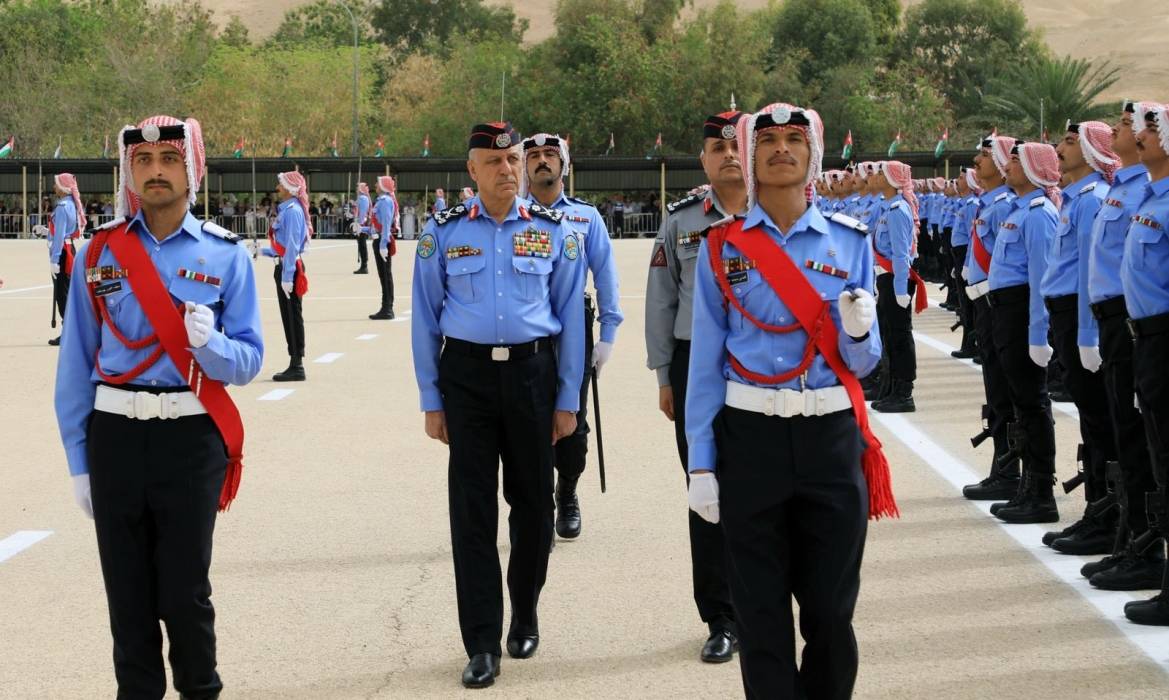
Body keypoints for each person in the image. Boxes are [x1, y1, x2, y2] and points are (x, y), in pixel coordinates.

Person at [685, 102, 896, 699]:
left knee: (830, 612)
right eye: (768, 139)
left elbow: (863, 363)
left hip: (829, 438)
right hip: (750, 439)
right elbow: (705, 363)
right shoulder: (721, 247)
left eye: (795, 138)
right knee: (761, 616)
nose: (782, 148)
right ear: (750, 158)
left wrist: (860, 332)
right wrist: (701, 462)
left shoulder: (850, 241)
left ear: (813, 154)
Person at [53, 114, 263, 699]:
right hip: (116, 437)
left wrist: (211, 345)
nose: (155, 171)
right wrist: (79, 460)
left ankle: (201, 690)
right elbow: (76, 363)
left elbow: (249, 359)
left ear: (191, 170)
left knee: (185, 592)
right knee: (127, 597)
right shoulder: (100, 252)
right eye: (142, 161)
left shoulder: (226, 256)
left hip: (190, 441)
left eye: (169, 159)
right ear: (130, 173)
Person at [410, 121, 586, 689]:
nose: (508, 169)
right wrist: (431, 398)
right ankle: (482, 641)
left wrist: (567, 398)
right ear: (472, 170)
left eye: (512, 159)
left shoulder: (556, 231)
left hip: (534, 374)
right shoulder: (442, 233)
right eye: (494, 161)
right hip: (467, 379)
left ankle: (525, 609)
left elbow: (572, 320)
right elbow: (424, 318)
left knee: (533, 505)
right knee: (472, 511)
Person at [644, 111, 746, 664]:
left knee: (762, 486)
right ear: (704, 161)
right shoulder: (682, 221)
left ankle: (762, 604)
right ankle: (720, 616)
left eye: (736, 145)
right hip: (694, 366)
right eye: (717, 148)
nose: (728, 155)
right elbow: (661, 298)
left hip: (760, 365)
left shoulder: (777, 215)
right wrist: (665, 374)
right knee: (704, 486)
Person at [523, 132, 623, 539]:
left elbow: (605, 274)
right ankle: (538, 506)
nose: (542, 160)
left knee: (572, 420)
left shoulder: (585, 217)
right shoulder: (512, 214)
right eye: (533, 155)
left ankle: (567, 490)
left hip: (573, 327)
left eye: (550, 154)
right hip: (526, 324)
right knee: (528, 419)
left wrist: (608, 333)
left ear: (564, 165)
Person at [1083, 101, 1160, 590]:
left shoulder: (1143, 195)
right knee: (1125, 432)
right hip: (1119, 323)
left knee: (1138, 437)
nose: (1122, 130)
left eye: (1131, 124)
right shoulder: (1130, 192)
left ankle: (1146, 547)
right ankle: (1132, 538)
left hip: (1138, 326)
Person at [1038, 120, 1121, 555]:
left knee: (1099, 418)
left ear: (1092, 151)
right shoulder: (1075, 199)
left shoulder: (1091, 201)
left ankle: (1107, 517)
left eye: (1070, 142)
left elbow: (1092, 273)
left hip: (1079, 315)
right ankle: (1097, 509)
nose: (1059, 148)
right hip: (1066, 314)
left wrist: (1088, 334)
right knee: (1090, 417)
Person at [986, 140, 1059, 524]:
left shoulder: (1038, 214)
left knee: (1032, 403)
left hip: (1021, 314)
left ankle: (1041, 491)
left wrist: (1038, 334)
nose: (1008, 166)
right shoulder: (1018, 210)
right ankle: (1027, 486)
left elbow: (1041, 279)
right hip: (1005, 312)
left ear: (1032, 168)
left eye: (1016, 161)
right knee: (1019, 402)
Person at [1122, 103, 1169, 623]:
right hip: (1147, 340)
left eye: (1153, 128)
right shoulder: (1151, 198)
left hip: (1164, 337)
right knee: (1161, 460)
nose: (1142, 134)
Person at [961, 135, 1022, 502]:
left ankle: (1009, 471)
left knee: (1006, 391)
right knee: (996, 389)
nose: (977, 161)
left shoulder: (1002, 207)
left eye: (985, 155)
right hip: (984, 304)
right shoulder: (988, 204)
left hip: (998, 304)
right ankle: (1003, 467)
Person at [870, 160, 927, 413]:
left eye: (882, 174)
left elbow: (902, 254)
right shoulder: (889, 207)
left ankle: (904, 392)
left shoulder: (898, 210)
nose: (877, 177)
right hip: (887, 279)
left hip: (895, 280)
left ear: (893, 179)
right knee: (889, 335)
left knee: (899, 336)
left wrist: (901, 289)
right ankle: (892, 387)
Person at [262, 171, 311, 381]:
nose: (277, 188)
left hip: (289, 268)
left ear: (290, 189)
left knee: (292, 317)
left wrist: (287, 276)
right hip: (284, 266)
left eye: (281, 185)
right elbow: (283, 246)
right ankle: (294, 361)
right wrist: (263, 252)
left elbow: (291, 246)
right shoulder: (289, 209)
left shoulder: (292, 212)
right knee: (288, 316)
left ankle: (297, 364)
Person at [46, 173, 85, 346]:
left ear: (63, 187)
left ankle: (69, 334)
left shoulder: (62, 206)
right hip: (69, 249)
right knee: (66, 292)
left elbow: (60, 235)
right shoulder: (71, 204)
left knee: (62, 295)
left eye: (56, 184)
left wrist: (55, 259)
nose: (54, 187)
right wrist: (46, 231)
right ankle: (71, 332)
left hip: (62, 253)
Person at [369, 175, 399, 320]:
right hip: (380, 238)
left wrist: (383, 244)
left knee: (386, 276)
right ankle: (385, 307)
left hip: (383, 241)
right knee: (383, 275)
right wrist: (362, 229)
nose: (375, 185)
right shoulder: (382, 200)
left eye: (378, 183)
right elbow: (378, 224)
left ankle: (387, 308)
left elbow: (386, 224)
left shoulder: (385, 201)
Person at [352, 182, 371, 274]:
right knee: (361, 244)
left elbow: (362, 213)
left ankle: (364, 266)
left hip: (361, 225)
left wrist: (359, 224)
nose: (356, 189)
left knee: (362, 245)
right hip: (360, 224)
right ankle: (363, 265)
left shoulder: (362, 198)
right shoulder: (361, 198)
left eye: (358, 187)